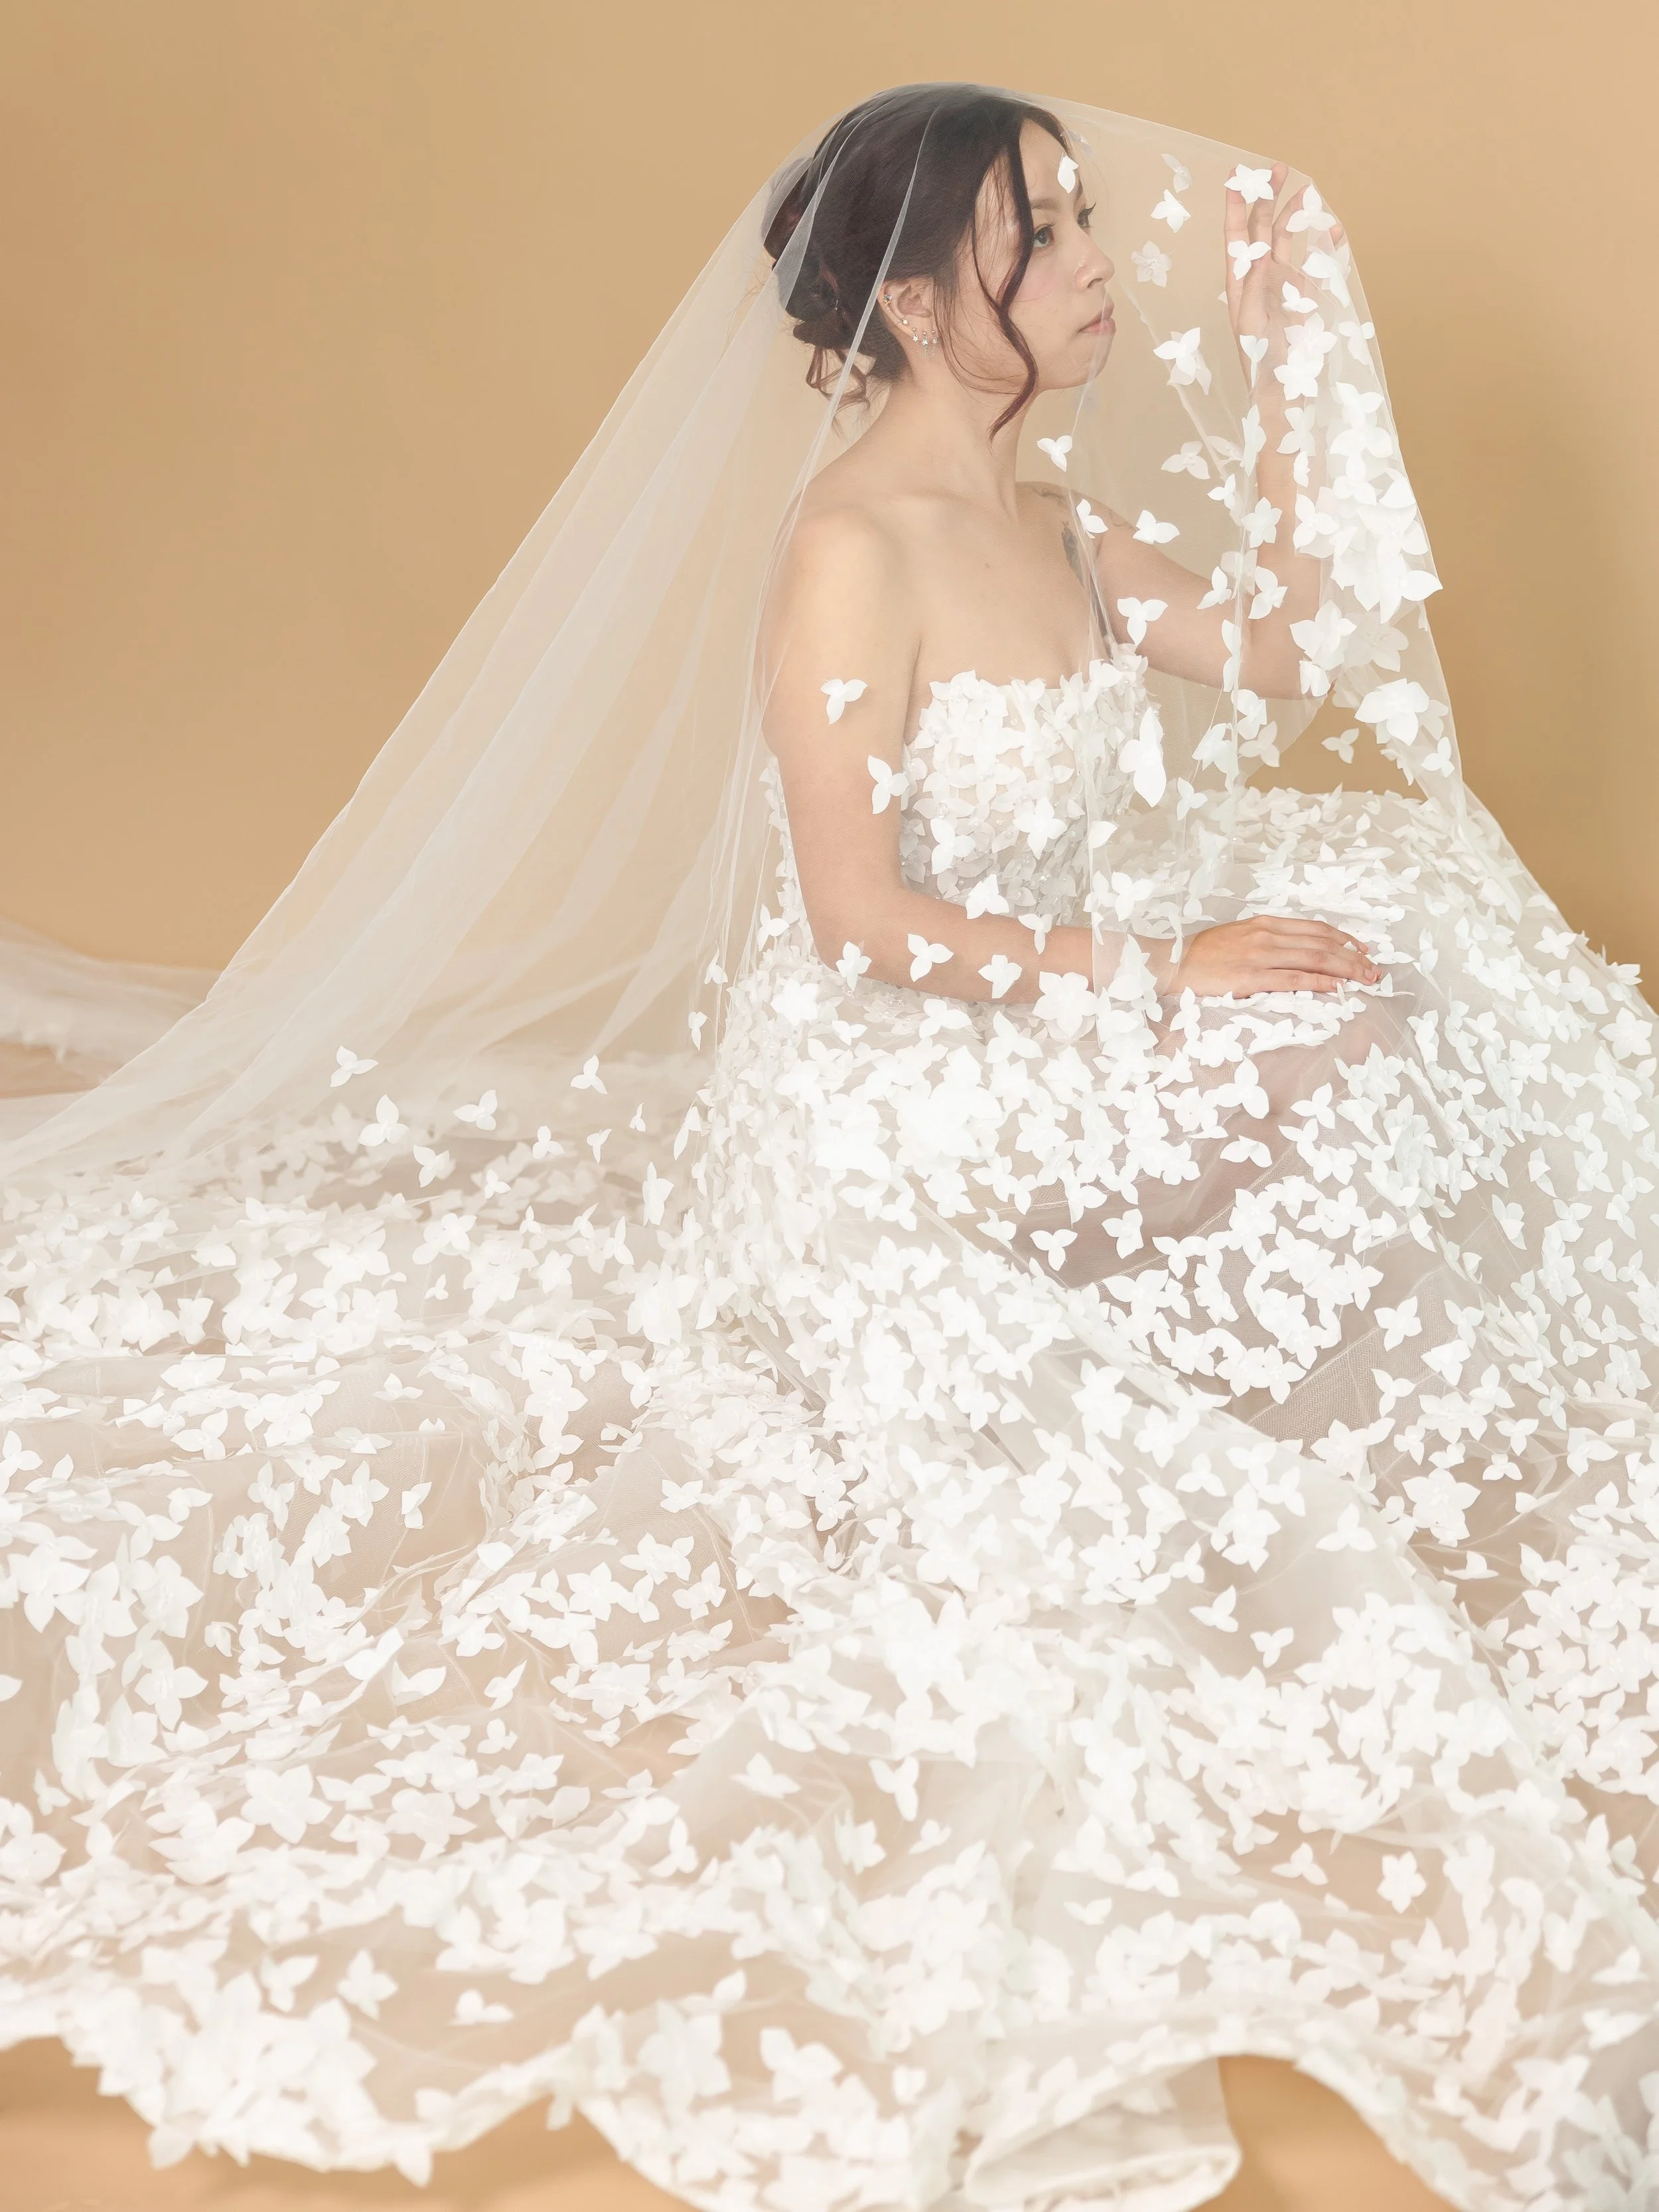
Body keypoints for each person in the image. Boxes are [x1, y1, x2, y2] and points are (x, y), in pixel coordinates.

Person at [0, 78, 1655, 2212]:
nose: (1088, 263)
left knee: (1389, 939)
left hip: (1056, 988)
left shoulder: (1051, 523)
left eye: (1076, 220)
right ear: (902, 294)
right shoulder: (847, 556)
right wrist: (1169, 977)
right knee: (1298, 1009)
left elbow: (1298, 643)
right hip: (901, 1080)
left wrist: (1288, 352)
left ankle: (1508, 1374)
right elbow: (866, 924)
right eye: (1036, 234)